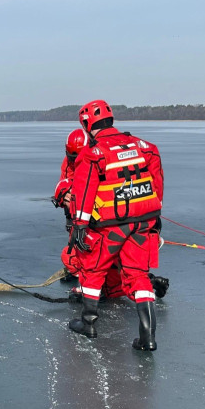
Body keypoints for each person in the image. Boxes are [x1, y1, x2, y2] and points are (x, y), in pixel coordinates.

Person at [66, 100, 164, 350]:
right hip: (143, 223)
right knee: (138, 275)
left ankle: (88, 324)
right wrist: (156, 215)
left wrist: (79, 224)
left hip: (109, 225)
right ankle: (148, 336)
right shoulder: (145, 147)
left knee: (93, 269)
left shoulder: (93, 153)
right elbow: (156, 183)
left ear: (87, 125)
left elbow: (84, 190)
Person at [54, 128, 169, 302]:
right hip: (117, 224)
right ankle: (147, 282)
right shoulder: (74, 162)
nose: (75, 160)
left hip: (104, 228)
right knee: (125, 267)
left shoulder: (99, 158)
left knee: (80, 262)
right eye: (71, 157)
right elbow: (66, 182)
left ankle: (94, 295)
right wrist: (64, 194)